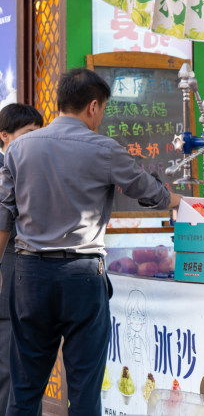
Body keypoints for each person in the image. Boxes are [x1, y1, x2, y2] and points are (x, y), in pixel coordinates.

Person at [0, 68, 183, 415]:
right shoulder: (105, 149)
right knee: (84, 389)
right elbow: (148, 192)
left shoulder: (18, 149)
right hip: (82, 275)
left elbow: (3, 213)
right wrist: (174, 200)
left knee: (24, 388)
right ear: (94, 107)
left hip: (29, 276)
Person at [0, 104, 43, 413]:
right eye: (29, 133)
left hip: (24, 284)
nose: (37, 139)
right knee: (11, 373)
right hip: (9, 282)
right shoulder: (10, 172)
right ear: (5, 136)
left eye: (40, 132)